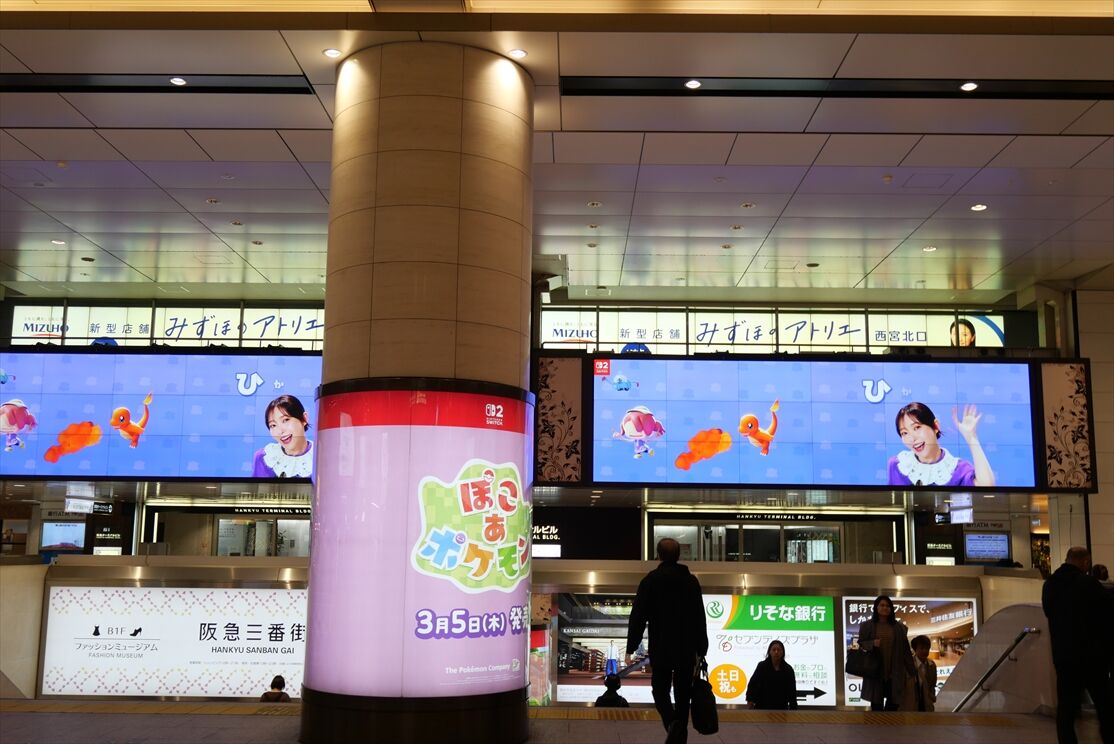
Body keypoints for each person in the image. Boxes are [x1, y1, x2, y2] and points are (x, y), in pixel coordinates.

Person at [626, 537, 708, 744]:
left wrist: (631, 645)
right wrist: (702, 647)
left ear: (658, 555)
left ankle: (672, 724)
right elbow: (699, 616)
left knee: (660, 691)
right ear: (679, 555)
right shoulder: (691, 581)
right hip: (686, 648)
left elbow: (638, 616)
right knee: (683, 695)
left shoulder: (650, 581)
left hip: (661, 646)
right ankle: (679, 734)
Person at [1042, 547, 1113, 744]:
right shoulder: (1088, 583)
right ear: (1085, 562)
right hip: (1092, 658)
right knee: (1105, 707)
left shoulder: (1050, 584)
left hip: (1064, 657)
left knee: (1066, 711)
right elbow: (1106, 612)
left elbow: (1048, 612)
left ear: (1067, 559)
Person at [887, 402, 994, 487]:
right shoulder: (898, 465)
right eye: (904, 433)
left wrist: (971, 437)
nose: (912, 438)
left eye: (917, 427)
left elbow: (986, 486)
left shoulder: (958, 469)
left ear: (935, 426)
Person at [856, 595, 915, 711]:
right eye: (882, 605)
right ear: (876, 607)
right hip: (875, 672)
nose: (885, 608)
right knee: (876, 706)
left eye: (888, 606)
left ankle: (889, 723)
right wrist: (872, 643)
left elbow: (905, 650)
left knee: (893, 704)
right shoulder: (867, 626)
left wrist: (912, 671)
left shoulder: (900, 627)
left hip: (895, 672)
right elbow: (861, 643)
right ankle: (877, 724)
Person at [252, 394, 314, 478]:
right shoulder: (264, 457)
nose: (280, 431)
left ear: (304, 419)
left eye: (286, 420)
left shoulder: (321, 456)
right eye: (273, 425)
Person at [745, 640, 798, 710]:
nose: (776, 652)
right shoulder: (762, 666)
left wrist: (793, 708)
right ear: (769, 652)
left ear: (782, 652)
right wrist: (749, 700)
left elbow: (792, 691)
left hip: (781, 707)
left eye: (779, 650)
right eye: (774, 650)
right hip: (762, 706)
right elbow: (752, 684)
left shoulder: (788, 669)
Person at [904, 635, 938, 712]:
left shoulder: (932, 665)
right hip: (911, 704)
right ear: (915, 649)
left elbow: (933, 684)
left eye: (927, 648)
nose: (925, 651)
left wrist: (932, 697)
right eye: (921, 648)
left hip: (927, 704)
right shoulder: (908, 664)